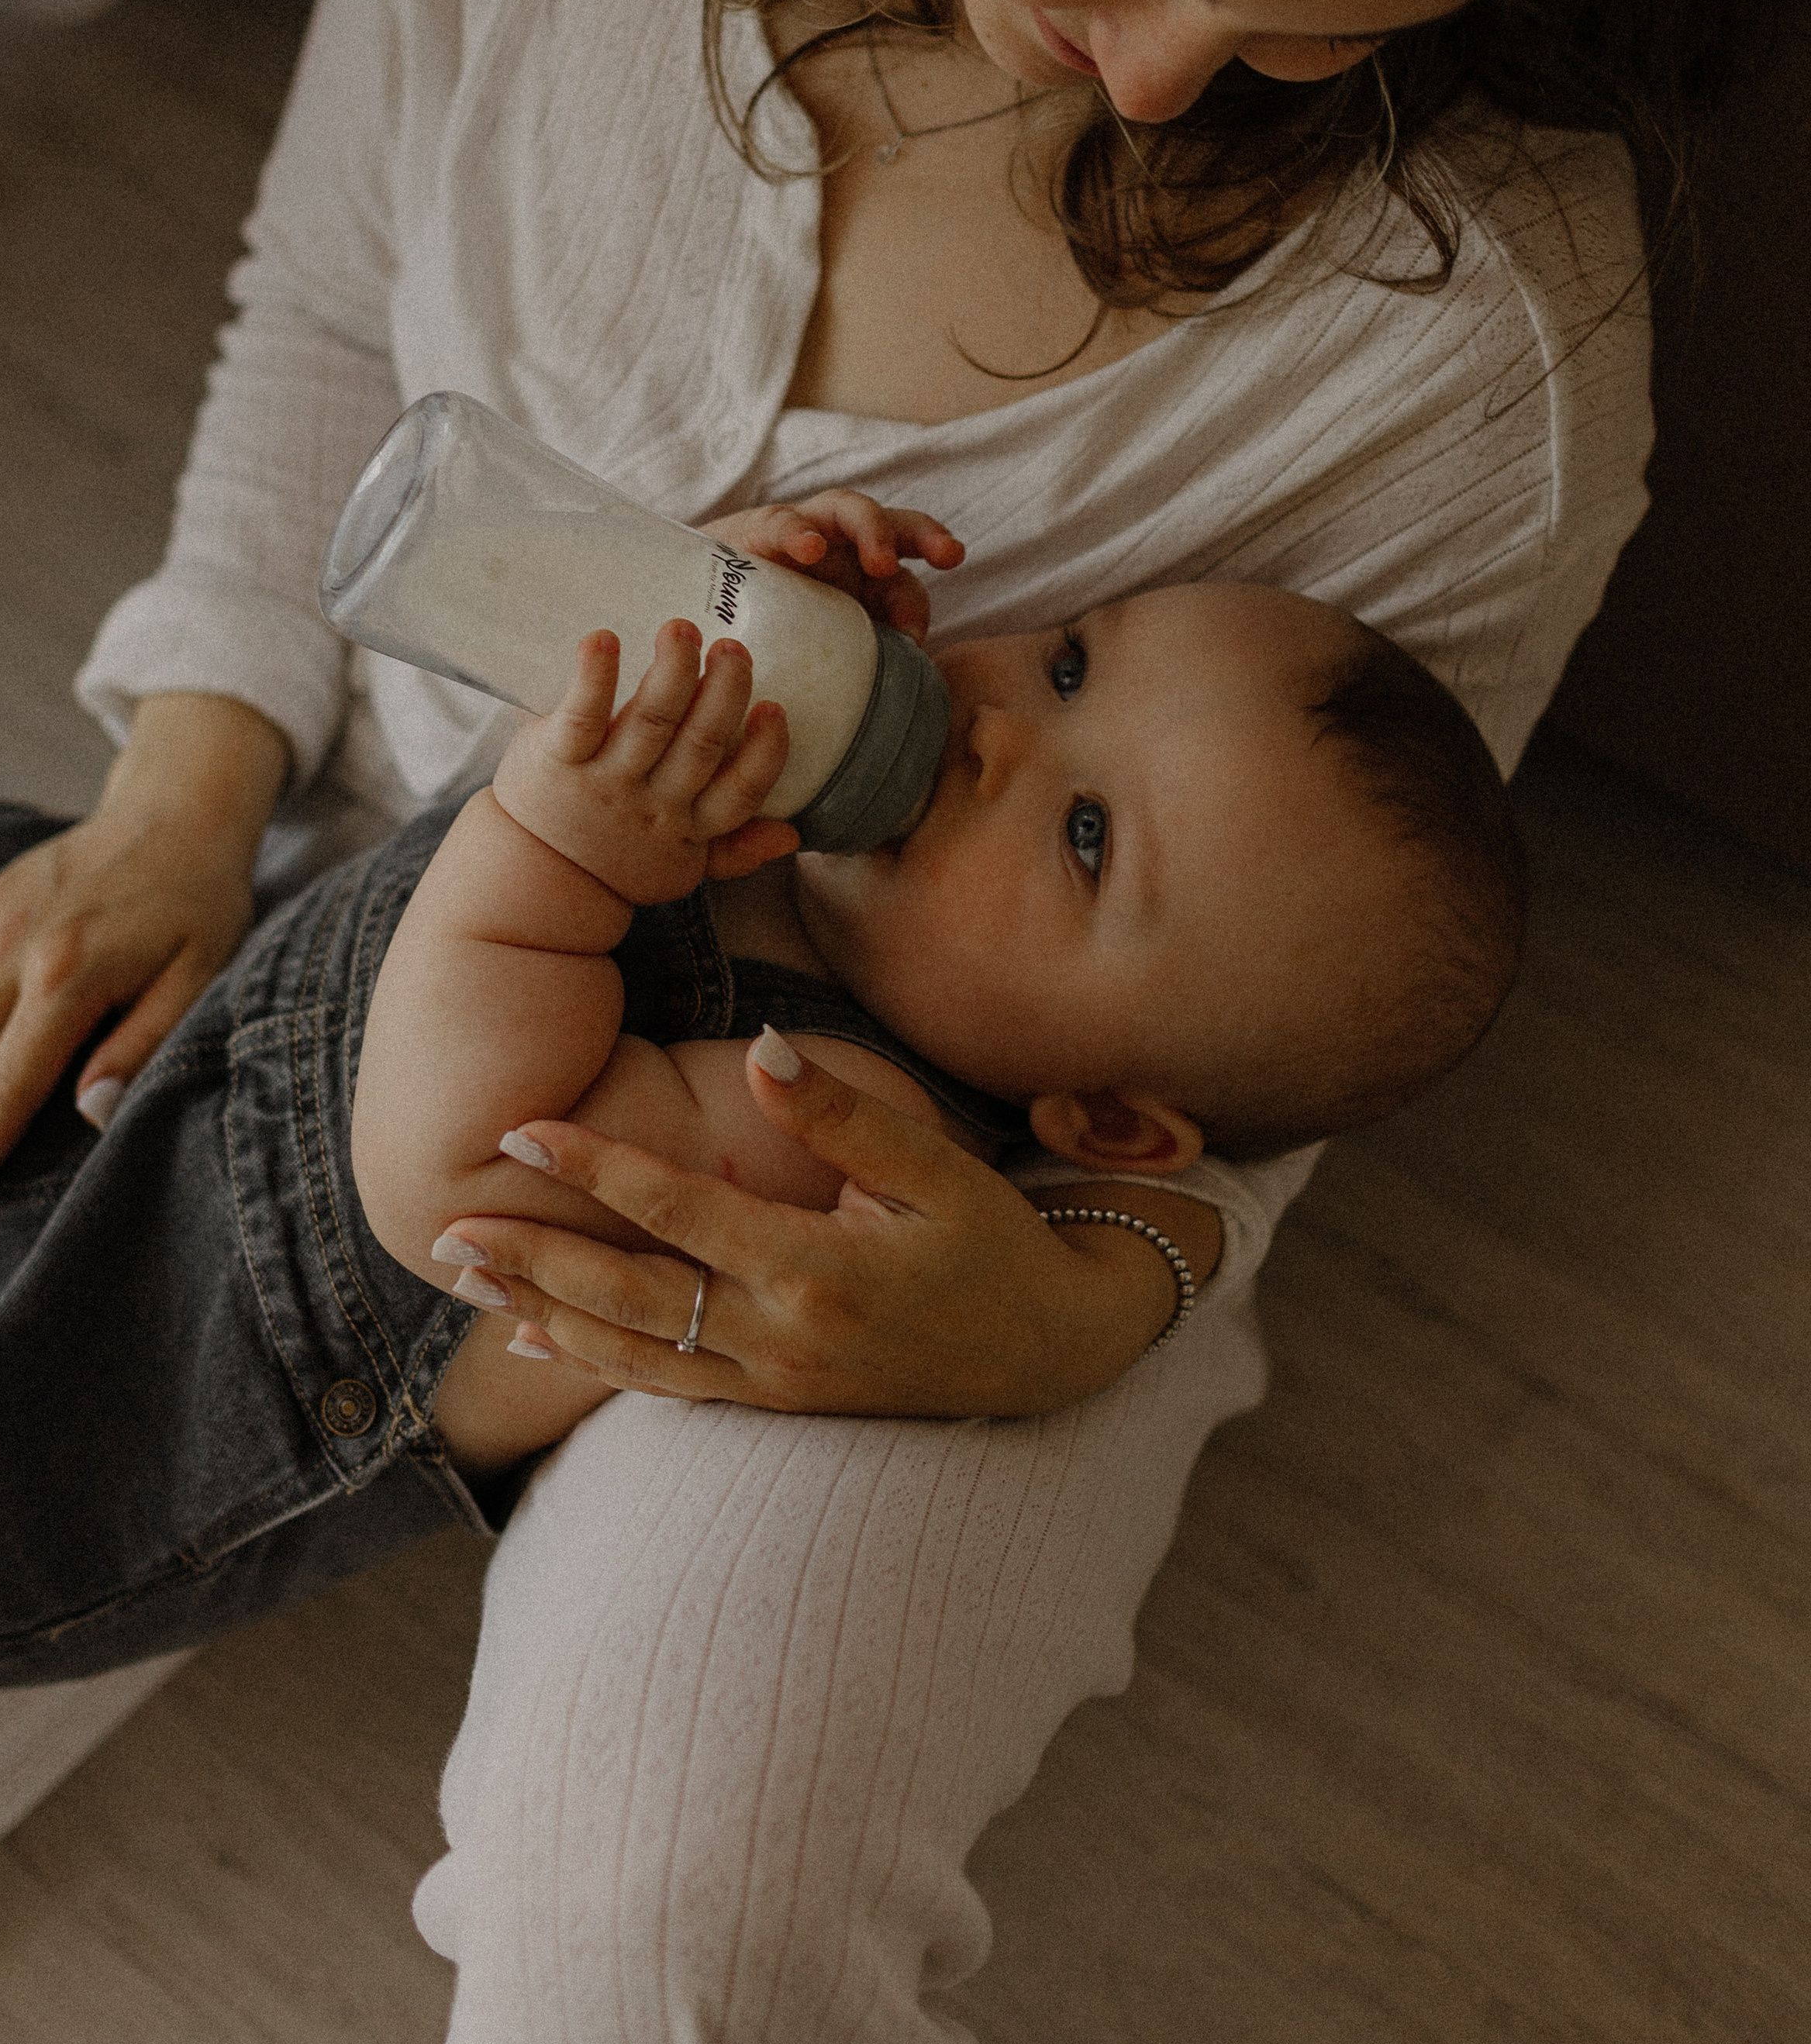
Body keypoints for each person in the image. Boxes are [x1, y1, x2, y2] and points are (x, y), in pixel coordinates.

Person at [0, 0, 1803, 2044]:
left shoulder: (1480, 337)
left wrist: (1057, 1305)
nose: (1159, 90)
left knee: (664, 1919)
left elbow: (1261, 1039)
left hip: (931, 1181)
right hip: (345, 920)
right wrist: (173, 796)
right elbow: (335, 316)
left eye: (1316, 37)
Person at [353, 520, 1526, 1474]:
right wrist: (707, 633)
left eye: (1085, 836)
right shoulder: (814, 851)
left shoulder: (843, 1122)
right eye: (1069, 666)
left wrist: (555, 846)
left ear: (1106, 1119)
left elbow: (465, 1172)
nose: (998, 731)